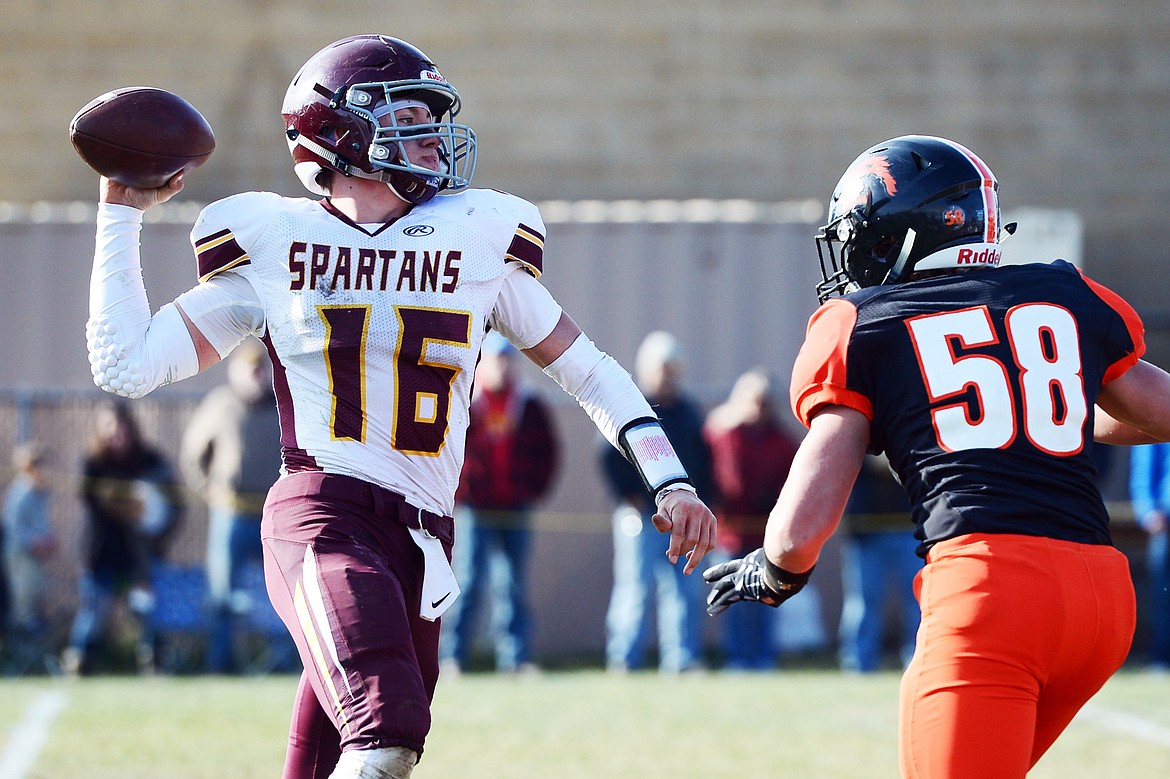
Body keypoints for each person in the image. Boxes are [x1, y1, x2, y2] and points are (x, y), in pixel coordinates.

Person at [83, 34, 716, 778]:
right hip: (325, 513)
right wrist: (120, 209)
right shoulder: (281, 240)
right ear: (342, 132)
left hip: (424, 537)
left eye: (430, 118)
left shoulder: (473, 238)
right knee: (385, 731)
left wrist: (668, 478)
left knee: (332, 758)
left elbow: (592, 372)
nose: (431, 137)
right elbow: (126, 363)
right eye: (409, 116)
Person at [703, 135, 1170, 778]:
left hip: (990, 594)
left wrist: (777, 570)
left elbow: (800, 529)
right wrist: (1034, 419)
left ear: (899, 233)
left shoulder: (864, 321)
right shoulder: (1060, 292)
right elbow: (1156, 410)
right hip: (1101, 601)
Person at [440, 332, 560, 675]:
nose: (502, 367)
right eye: (496, 360)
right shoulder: (466, 401)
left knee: (513, 584)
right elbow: (448, 450)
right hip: (476, 508)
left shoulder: (528, 404)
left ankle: (515, 658)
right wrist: (462, 490)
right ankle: (454, 657)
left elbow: (548, 453)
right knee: (468, 581)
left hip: (515, 507)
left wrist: (531, 490)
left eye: (508, 360)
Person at [600, 331, 714, 674]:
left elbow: (702, 459)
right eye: (662, 367)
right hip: (641, 515)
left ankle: (681, 658)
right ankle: (623, 658)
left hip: (679, 517)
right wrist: (629, 495)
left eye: (672, 367)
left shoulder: (689, 412)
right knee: (634, 587)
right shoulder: (632, 406)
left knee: (683, 589)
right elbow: (607, 453)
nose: (668, 374)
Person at [180, 336, 290, 674]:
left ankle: (288, 664)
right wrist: (207, 488)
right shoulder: (220, 404)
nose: (255, 376)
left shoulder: (283, 407)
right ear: (236, 371)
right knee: (221, 595)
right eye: (249, 369)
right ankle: (219, 664)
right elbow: (193, 455)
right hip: (231, 515)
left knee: (286, 594)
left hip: (273, 516)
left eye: (261, 369)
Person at [64, 400, 183, 675]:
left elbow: (174, 506)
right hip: (102, 555)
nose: (116, 433)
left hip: (139, 558)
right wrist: (119, 503)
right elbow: (93, 505)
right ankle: (79, 663)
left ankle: (155, 662)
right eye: (108, 427)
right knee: (93, 613)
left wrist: (155, 531)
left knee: (147, 611)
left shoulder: (151, 462)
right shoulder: (93, 464)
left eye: (120, 427)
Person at [702, 367, 801, 670]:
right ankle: (738, 658)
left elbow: (793, 481)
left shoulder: (782, 440)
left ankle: (764, 658)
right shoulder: (725, 433)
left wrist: (772, 500)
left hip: (765, 536)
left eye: (764, 401)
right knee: (733, 601)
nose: (759, 407)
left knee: (765, 599)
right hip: (730, 532)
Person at [836, 453, 920, 673]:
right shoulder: (859, 424)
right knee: (863, 601)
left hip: (908, 524)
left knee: (918, 599)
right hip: (865, 529)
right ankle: (858, 664)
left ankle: (918, 661)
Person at [2, 442, 59, 650]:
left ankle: (33, 636)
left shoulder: (39, 492)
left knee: (38, 591)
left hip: (34, 555)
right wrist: (34, 542)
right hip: (19, 553)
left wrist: (48, 539)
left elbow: (39, 523)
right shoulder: (22, 491)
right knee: (26, 593)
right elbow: (13, 525)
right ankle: (21, 640)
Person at [1128, 442, 1170, 670]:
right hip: (1165, 520)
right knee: (1163, 594)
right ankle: (1162, 656)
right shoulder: (1159, 410)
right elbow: (1143, 468)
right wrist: (1147, 510)